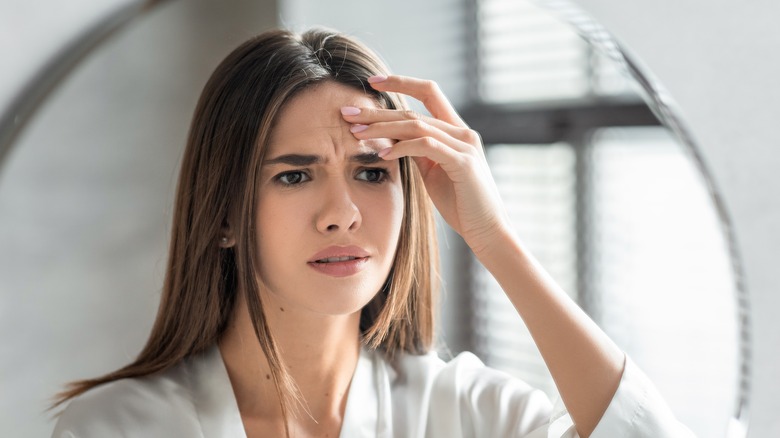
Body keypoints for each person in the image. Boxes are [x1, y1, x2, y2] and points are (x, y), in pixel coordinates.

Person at [50, 28, 693, 438]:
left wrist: (493, 238)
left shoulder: (472, 415)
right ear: (222, 216)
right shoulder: (115, 428)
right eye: (295, 177)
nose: (342, 214)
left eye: (371, 172)